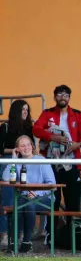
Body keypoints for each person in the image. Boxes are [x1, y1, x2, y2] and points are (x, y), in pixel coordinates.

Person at [33, 85, 81, 247]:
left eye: (66, 94)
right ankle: (50, 237)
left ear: (69, 97)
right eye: (59, 94)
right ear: (55, 97)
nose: (63, 97)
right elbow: (36, 129)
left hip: (72, 163)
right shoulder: (47, 113)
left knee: (73, 201)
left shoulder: (77, 114)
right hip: (52, 164)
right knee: (53, 201)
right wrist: (52, 137)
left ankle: (74, 240)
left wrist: (77, 144)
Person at [1, 135, 55, 253]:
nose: (26, 147)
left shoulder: (40, 160)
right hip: (24, 198)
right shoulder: (18, 162)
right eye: (22, 145)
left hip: (45, 197)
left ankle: (26, 242)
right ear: (17, 149)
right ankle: (13, 245)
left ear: (32, 146)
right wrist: (14, 159)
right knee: (19, 204)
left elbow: (52, 184)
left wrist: (37, 193)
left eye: (28, 144)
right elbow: (6, 177)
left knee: (28, 204)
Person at [0, 100, 34, 246]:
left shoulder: (28, 128)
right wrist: (14, 151)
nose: (25, 112)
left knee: (23, 198)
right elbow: (0, 149)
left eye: (27, 110)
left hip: (26, 163)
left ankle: (19, 233)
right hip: (9, 162)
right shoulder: (5, 127)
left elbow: (32, 146)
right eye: (22, 110)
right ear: (16, 111)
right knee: (7, 200)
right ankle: (5, 234)